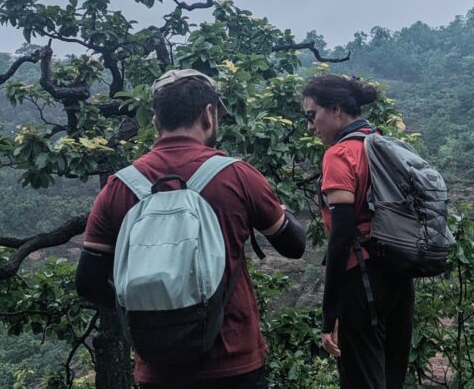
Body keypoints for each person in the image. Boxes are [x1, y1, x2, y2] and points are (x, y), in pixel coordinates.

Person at [75, 69, 306, 388]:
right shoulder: (237, 176)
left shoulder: (120, 186)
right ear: (209, 114)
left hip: (157, 369)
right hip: (233, 361)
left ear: (155, 122)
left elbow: (88, 282)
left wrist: (153, 310)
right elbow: (294, 246)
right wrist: (280, 209)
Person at [302, 74, 415, 389]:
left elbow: (341, 237)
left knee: (361, 380)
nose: (311, 126)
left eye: (313, 115)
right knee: (391, 379)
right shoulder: (384, 144)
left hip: (362, 280)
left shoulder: (340, 154)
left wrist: (329, 315)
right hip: (400, 275)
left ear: (336, 110)